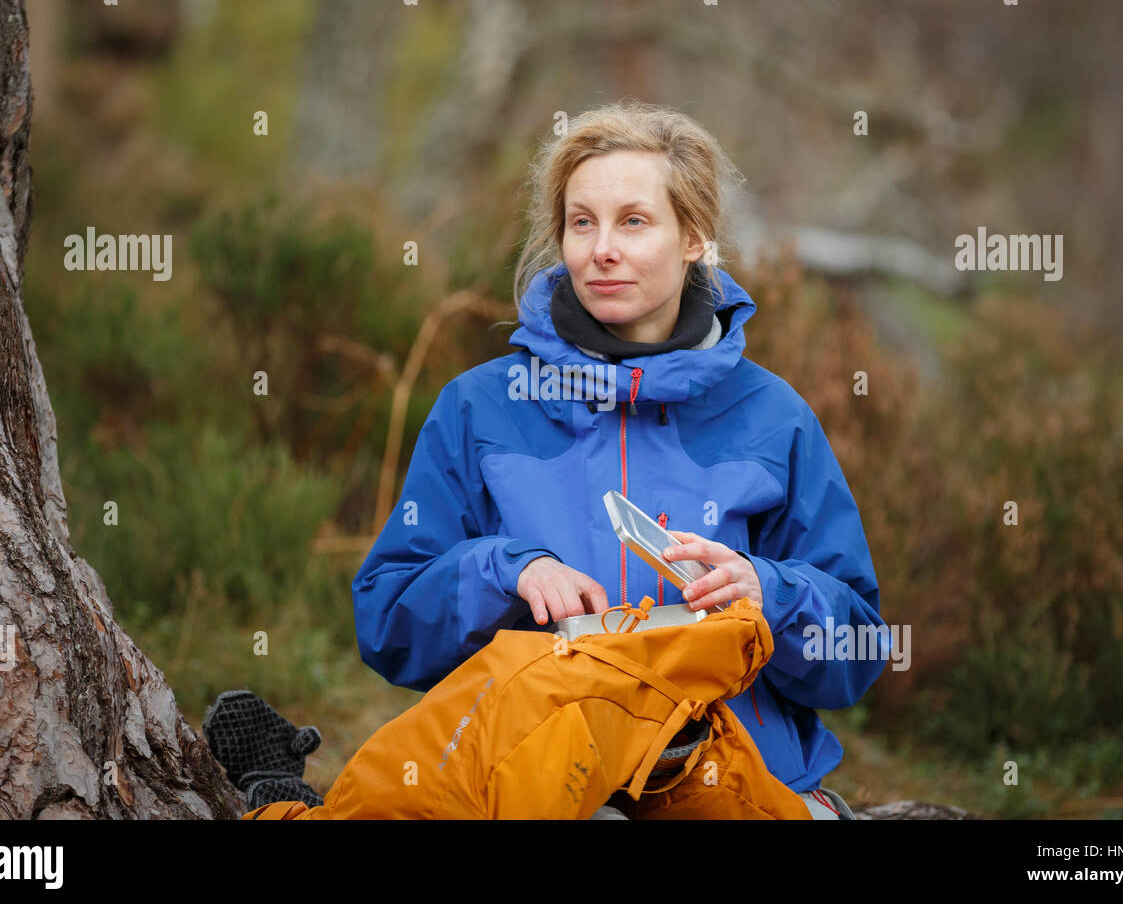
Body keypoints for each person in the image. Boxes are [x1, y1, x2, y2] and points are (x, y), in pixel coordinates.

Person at [351, 99, 886, 820]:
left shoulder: (773, 415)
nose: (601, 249)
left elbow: (857, 650)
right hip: (542, 786)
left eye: (633, 221)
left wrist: (769, 595)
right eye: (581, 222)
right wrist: (506, 571)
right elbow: (386, 620)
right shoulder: (480, 406)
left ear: (693, 236)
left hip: (735, 785)